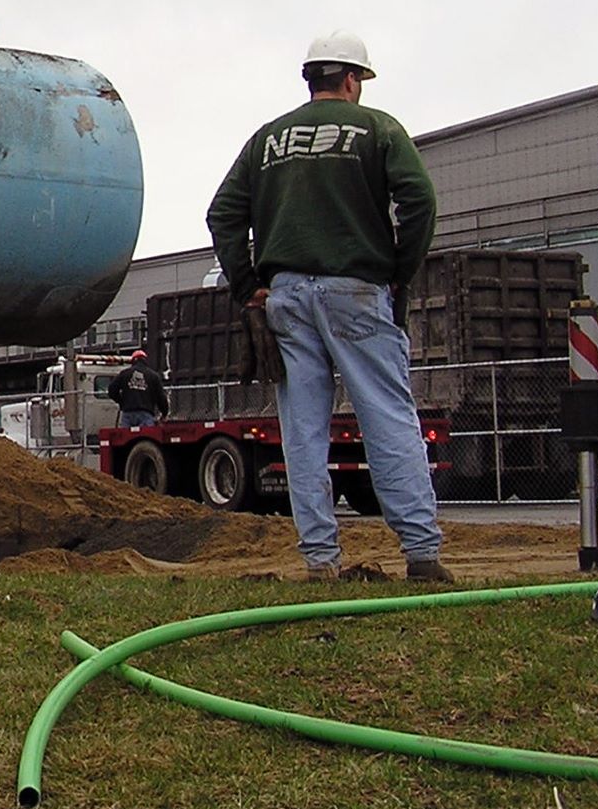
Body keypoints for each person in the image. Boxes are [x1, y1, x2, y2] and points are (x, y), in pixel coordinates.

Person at [205, 30, 453, 583]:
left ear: (310, 79)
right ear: (350, 79)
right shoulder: (379, 129)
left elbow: (222, 214)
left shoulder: (267, 140)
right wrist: (399, 270)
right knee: (387, 418)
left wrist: (248, 286)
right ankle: (421, 554)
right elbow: (419, 199)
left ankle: (320, 560)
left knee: (303, 431)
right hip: (357, 290)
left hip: (286, 297)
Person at [105, 349, 169, 428]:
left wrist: (122, 402)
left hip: (128, 413)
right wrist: (164, 413)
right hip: (146, 414)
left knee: (127, 438)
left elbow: (111, 390)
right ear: (145, 360)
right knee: (145, 438)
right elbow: (161, 397)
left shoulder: (124, 374)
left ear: (133, 360)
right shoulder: (153, 376)